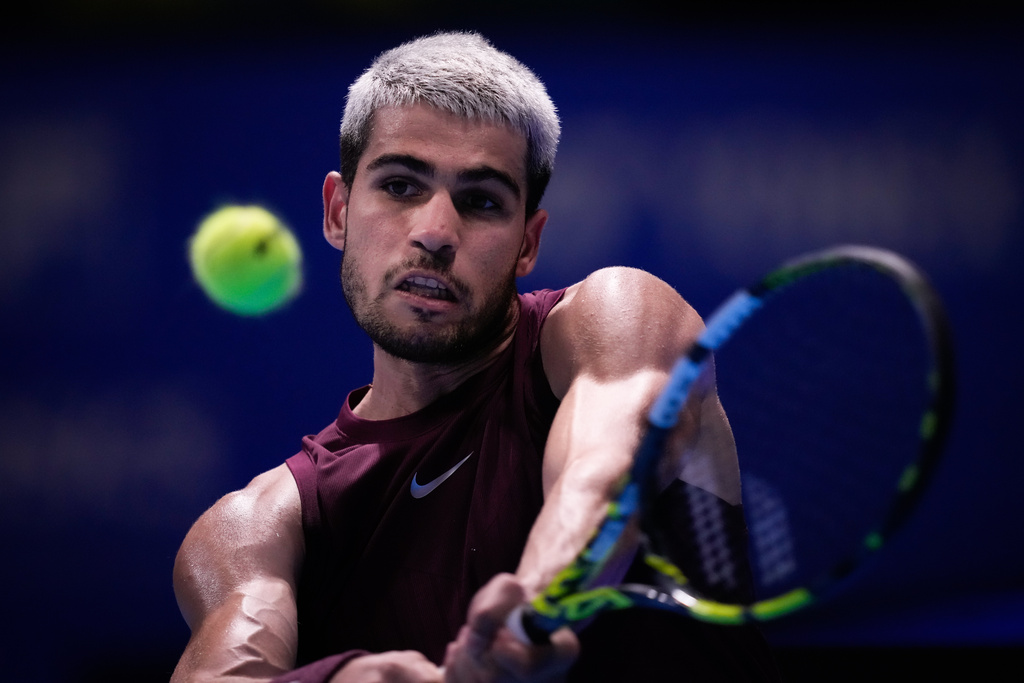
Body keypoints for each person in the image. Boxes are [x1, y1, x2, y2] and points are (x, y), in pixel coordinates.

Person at [170, 31, 779, 682]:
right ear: (338, 211)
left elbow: (603, 474)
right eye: (400, 185)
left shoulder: (613, 319)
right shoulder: (260, 525)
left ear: (527, 243)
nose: (435, 232)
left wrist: (531, 605)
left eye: (482, 201)